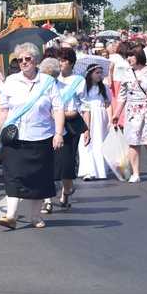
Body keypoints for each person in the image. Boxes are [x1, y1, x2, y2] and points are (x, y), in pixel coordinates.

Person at [0, 42, 64, 229]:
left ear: (36, 60)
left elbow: (58, 108)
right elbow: (3, 110)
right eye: (20, 59)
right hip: (15, 138)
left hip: (41, 137)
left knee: (38, 179)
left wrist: (58, 133)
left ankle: (35, 215)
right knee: (12, 176)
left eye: (27, 59)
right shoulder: (12, 81)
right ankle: (10, 215)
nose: (23, 62)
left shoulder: (47, 82)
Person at [111, 45, 147, 183]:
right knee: (133, 142)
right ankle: (136, 173)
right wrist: (117, 113)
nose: (128, 58)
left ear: (139, 56)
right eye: (127, 56)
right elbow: (122, 96)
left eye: (131, 56)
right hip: (132, 110)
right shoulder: (127, 74)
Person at [42, 48, 82, 213]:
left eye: (52, 75)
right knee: (45, 168)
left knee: (65, 168)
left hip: (63, 133)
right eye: (45, 75)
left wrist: (58, 114)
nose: (48, 78)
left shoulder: (66, 88)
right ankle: (47, 201)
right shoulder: (38, 89)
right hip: (43, 133)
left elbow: (73, 112)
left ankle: (67, 191)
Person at [77, 64, 112, 181]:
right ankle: (88, 170)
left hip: (100, 117)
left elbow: (108, 104)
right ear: (90, 74)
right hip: (87, 114)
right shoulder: (83, 87)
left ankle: (100, 170)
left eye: (101, 73)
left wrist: (110, 120)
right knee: (86, 143)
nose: (99, 75)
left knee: (99, 142)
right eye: (97, 73)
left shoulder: (104, 88)